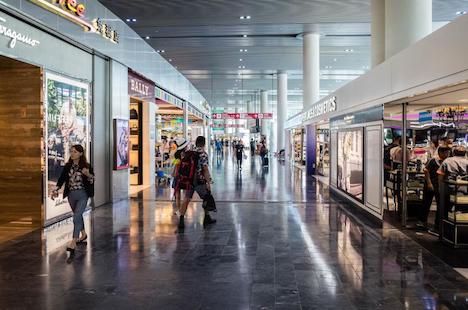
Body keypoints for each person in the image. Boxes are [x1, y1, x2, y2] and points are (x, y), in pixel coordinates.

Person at [51, 144, 94, 257]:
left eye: (74, 152)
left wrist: (87, 174)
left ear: (80, 153)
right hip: (71, 195)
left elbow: (92, 179)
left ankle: (73, 241)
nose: (72, 153)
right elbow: (61, 180)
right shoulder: (67, 166)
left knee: (76, 216)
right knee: (78, 215)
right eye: (71, 151)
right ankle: (83, 234)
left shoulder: (86, 166)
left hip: (83, 194)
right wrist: (56, 188)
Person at [178, 136, 216, 229]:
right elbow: (205, 169)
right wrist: (208, 182)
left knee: (186, 199)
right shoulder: (203, 154)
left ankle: (181, 220)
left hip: (189, 180)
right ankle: (207, 218)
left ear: (196, 143)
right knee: (206, 197)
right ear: (204, 143)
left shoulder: (190, 152)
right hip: (199, 180)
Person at [437, 145, 468, 232]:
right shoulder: (467, 162)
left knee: (446, 208)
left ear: (453, 152)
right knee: (463, 208)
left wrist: (440, 187)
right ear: (465, 153)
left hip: (448, 189)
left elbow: (440, 174)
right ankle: (461, 230)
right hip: (464, 189)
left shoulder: (448, 160)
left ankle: (445, 230)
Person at [418, 147, 450, 229]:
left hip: (440, 186)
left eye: (448, 153)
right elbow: (426, 170)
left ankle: (438, 224)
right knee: (426, 203)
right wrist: (429, 183)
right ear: (440, 153)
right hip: (430, 184)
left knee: (440, 205)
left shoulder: (447, 162)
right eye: (446, 153)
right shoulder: (433, 160)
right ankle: (422, 221)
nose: (447, 155)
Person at [172, 138, 189, 214]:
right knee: (186, 194)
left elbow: (176, 165)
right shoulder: (187, 154)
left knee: (177, 194)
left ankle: (179, 209)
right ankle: (182, 210)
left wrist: (174, 174)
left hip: (177, 176)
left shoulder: (176, 154)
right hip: (185, 176)